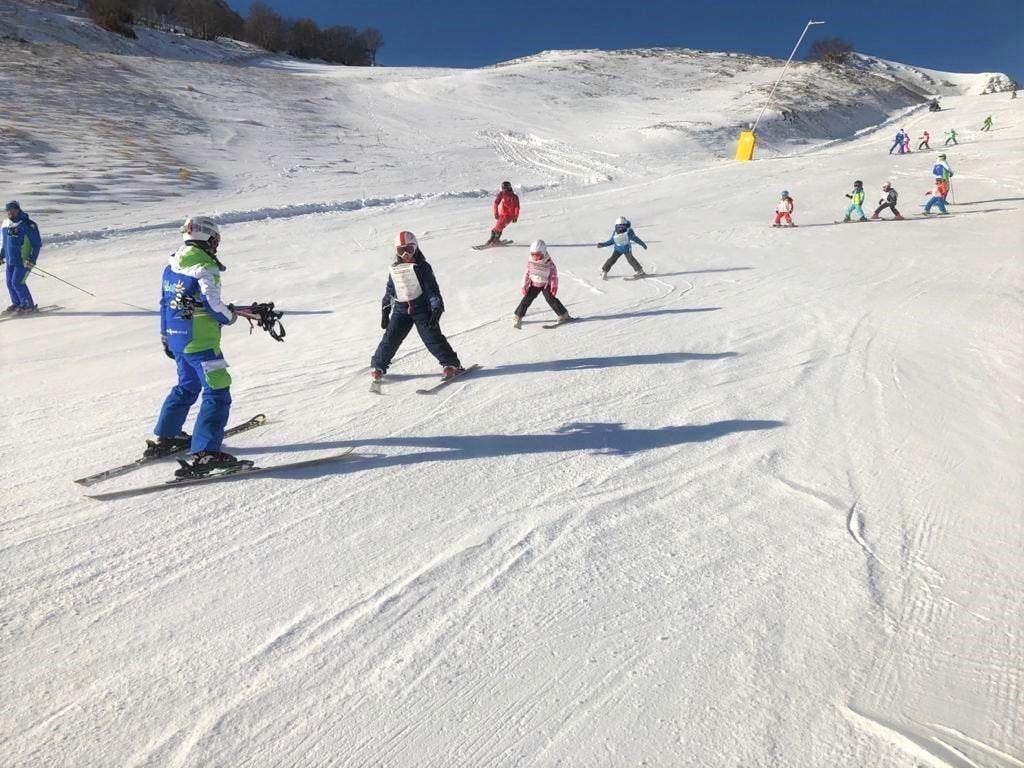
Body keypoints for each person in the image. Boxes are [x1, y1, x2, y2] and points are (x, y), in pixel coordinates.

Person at [150, 216, 250, 477]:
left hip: (177, 338)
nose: (217, 246)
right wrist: (231, 317)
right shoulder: (205, 267)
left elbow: (164, 303)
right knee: (217, 392)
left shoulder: (171, 265)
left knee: (187, 386)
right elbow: (214, 305)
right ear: (208, 238)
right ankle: (206, 454)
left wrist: (165, 336)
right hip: (201, 342)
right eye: (215, 240)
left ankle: (167, 435)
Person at [371, 231, 463, 382]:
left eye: (409, 249)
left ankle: (450, 364)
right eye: (401, 250)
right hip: (400, 310)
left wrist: (437, 308)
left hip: (422, 309)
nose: (406, 254)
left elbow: (432, 289)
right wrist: (385, 308)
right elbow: (390, 290)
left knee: (432, 338)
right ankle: (378, 366)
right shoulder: (394, 269)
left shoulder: (422, 267)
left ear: (416, 248)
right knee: (390, 338)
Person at [513, 239, 572, 328]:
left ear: (543, 253)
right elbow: (527, 273)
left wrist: (554, 286)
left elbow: (553, 275)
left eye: (537, 255)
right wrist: (524, 284)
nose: (535, 258)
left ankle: (564, 315)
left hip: (545, 284)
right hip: (534, 284)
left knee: (551, 299)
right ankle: (518, 316)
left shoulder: (549, 263)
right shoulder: (530, 262)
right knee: (527, 299)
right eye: (533, 255)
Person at [1, 201, 43, 314]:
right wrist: (1, 256)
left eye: (13, 210)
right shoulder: (5, 224)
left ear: (18, 210)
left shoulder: (28, 225)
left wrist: (32, 259)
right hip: (10, 260)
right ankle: (17, 303)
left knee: (17, 282)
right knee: (10, 283)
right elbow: (5, 243)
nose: (10, 213)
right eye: (8, 211)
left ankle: (28, 305)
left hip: (23, 261)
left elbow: (37, 244)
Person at [483, 181, 520, 246]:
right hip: (502, 215)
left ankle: (496, 240)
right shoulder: (501, 194)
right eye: (503, 188)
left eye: (505, 188)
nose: (504, 190)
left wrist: (515, 217)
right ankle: (492, 239)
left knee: (499, 227)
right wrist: (496, 213)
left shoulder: (514, 197)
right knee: (497, 227)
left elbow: (517, 207)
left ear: (509, 187)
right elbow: (496, 203)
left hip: (510, 216)